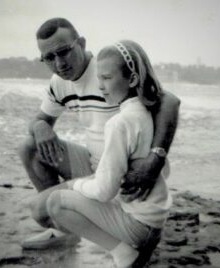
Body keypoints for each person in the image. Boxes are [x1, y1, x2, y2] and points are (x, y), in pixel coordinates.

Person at [19, 18, 179, 250]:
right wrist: (40, 126)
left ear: (81, 43)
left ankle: (104, 233)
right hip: (96, 167)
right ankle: (64, 230)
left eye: (63, 52)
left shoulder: (107, 70)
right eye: (49, 58)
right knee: (29, 147)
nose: (59, 63)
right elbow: (40, 119)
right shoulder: (59, 83)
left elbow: (170, 102)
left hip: (123, 174)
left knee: (39, 209)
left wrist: (155, 159)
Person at [45, 40, 172, 268]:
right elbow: (167, 169)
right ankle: (129, 252)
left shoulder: (119, 123)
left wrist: (75, 186)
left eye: (107, 78)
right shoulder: (147, 112)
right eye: (99, 78)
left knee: (56, 203)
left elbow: (104, 192)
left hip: (139, 228)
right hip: (155, 220)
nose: (101, 86)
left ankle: (124, 254)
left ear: (131, 79)